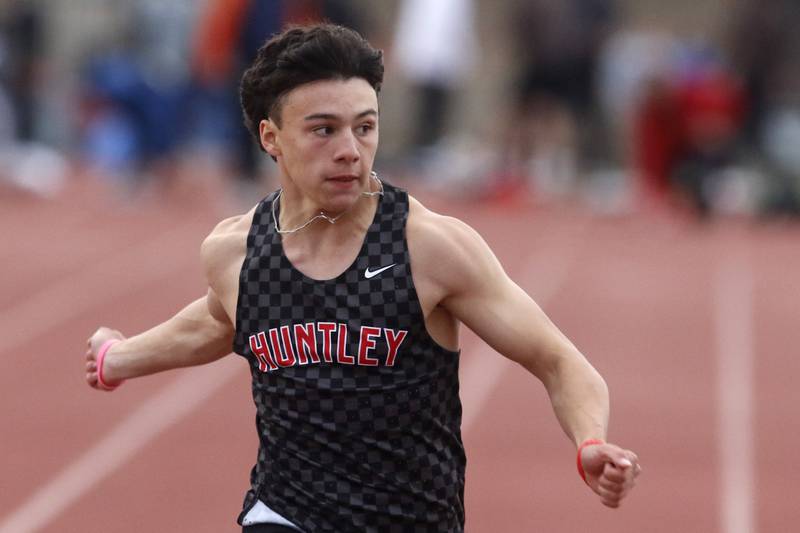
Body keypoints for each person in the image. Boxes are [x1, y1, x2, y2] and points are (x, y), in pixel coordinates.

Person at [85, 23, 641, 532]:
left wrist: (589, 442)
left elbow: (559, 360)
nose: (350, 151)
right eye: (323, 130)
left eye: (365, 127)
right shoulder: (235, 252)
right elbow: (217, 318)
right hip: (285, 511)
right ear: (270, 137)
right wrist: (121, 358)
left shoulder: (430, 248)